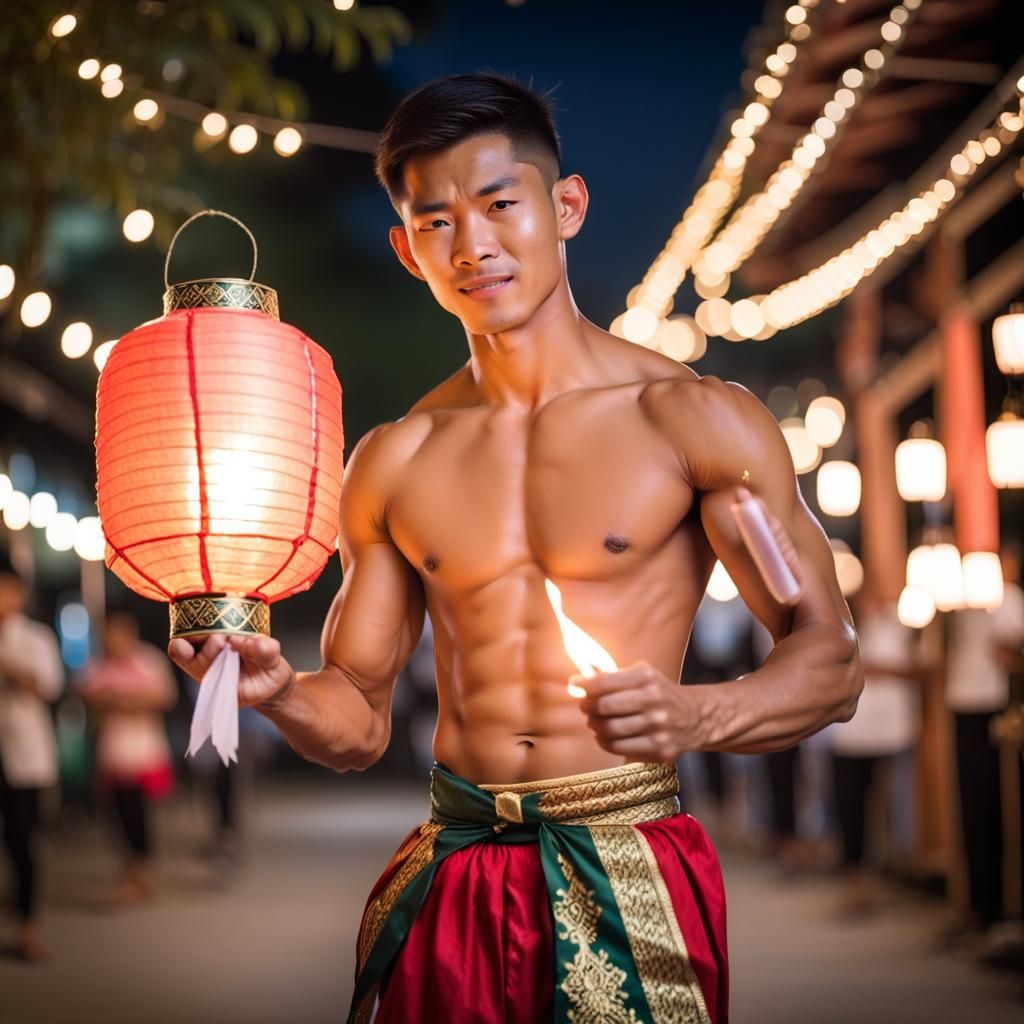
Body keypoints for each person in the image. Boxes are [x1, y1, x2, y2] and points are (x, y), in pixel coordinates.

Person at [168, 73, 862, 1023]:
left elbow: (830, 661)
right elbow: (361, 715)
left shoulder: (697, 422)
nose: (474, 245)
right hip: (458, 861)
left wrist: (695, 715)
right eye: (436, 222)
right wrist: (281, 691)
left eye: (500, 205)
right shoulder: (394, 459)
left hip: (625, 855)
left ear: (565, 206)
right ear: (407, 250)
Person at [946, 541, 1024, 941]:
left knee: (996, 808)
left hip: (995, 707)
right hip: (961, 703)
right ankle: (976, 903)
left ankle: (999, 906)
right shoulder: (952, 592)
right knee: (970, 807)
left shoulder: (1008, 599)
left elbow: (1012, 652)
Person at [828, 588, 920, 915]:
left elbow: (928, 664)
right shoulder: (838, 616)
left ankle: (895, 871)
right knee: (850, 808)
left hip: (892, 730)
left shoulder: (907, 615)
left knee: (894, 805)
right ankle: (858, 883)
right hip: (848, 730)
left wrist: (883, 669)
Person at [78, 608, 176, 904]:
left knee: (137, 815)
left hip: (143, 752)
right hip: (111, 752)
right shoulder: (98, 664)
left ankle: (141, 871)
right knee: (116, 816)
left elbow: (164, 697)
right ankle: (131, 870)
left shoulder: (148, 660)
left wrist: (120, 701)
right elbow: (85, 694)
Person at [0, 554, 63, 961]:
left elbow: (48, 687)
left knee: (23, 842)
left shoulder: (36, 638)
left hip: (22, 757)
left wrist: (8, 667)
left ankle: (28, 927)